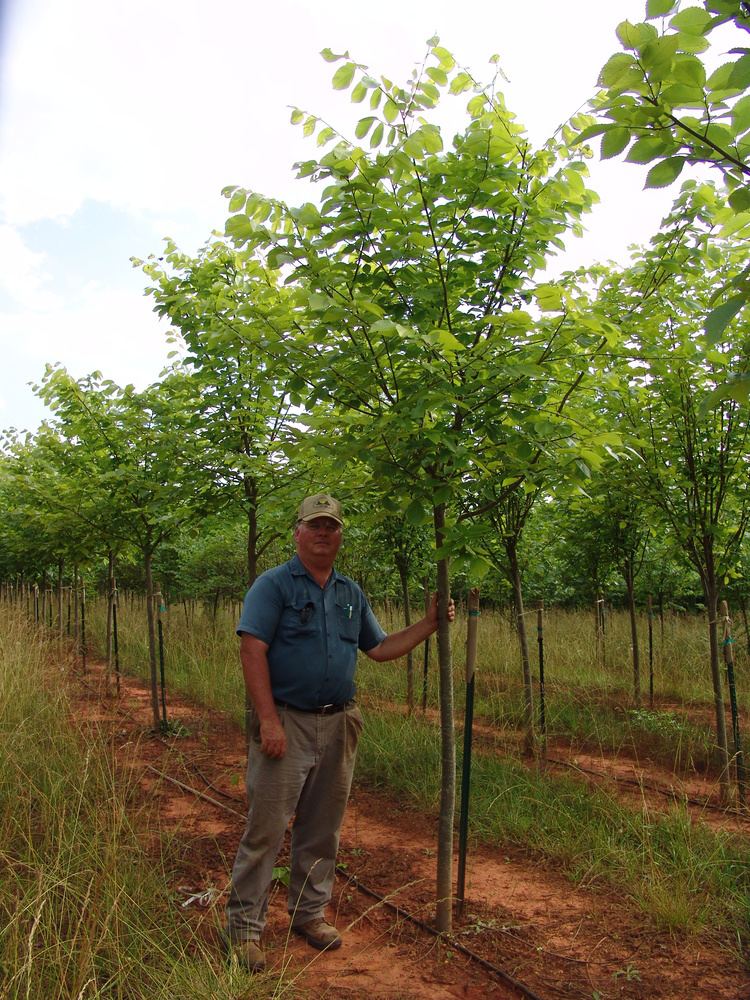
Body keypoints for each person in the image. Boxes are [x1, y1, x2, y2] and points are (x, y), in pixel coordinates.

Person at [224, 492, 455, 971]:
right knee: (266, 828)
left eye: (331, 526)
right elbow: (252, 649)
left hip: (339, 722)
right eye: (315, 526)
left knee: (322, 829)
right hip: (285, 721)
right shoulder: (273, 586)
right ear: (298, 533)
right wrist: (268, 719)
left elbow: (381, 648)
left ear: (339, 535)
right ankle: (244, 930)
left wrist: (430, 624)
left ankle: (308, 913)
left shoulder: (351, 593)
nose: (324, 534)